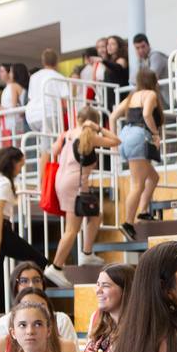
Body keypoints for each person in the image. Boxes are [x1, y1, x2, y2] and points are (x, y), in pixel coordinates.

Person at [0, 147, 51, 328]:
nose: (20, 170)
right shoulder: (3, 182)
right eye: (20, 165)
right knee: (40, 260)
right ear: (11, 163)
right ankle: (36, 299)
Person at [50, 106, 120, 276]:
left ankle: (87, 254)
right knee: (72, 229)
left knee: (96, 215)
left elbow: (53, 151)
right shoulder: (89, 136)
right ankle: (56, 267)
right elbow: (116, 141)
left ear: (78, 119)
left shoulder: (68, 134)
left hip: (61, 180)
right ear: (94, 122)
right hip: (74, 184)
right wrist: (99, 129)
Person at [111, 70, 164, 235]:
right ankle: (128, 222)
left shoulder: (131, 96)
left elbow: (113, 116)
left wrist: (114, 139)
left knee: (153, 177)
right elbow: (147, 113)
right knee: (137, 184)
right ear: (153, 81)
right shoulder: (150, 94)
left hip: (125, 136)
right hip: (139, 135)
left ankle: (142, 212)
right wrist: (155, 134)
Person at [25, 50, 63, 134]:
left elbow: (30, 98)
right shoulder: (58, 77)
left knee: (43, 142)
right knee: (50, 144)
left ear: (43, 61)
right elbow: (65, 100)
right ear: (57, 62)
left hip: (31, 115)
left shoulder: (34, 77)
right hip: (49, 114)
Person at [0, 62, 29, 136]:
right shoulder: (24, 87)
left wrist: (2, 109)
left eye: (11, 72)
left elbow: (14, 106)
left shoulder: (13, 86)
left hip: (15, 122)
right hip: (23, 120)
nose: (10, 74)